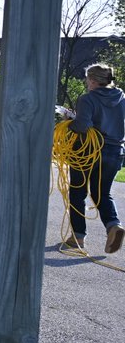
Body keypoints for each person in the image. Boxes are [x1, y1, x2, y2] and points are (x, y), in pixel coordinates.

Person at [64, 63, 125, 253]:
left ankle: (78, 238)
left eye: (86, 80)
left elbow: (82, 126)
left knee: (77, 192)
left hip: (88, 150)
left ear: (92, 80)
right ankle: (113, 225)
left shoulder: (87, 99)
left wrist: (69, 122)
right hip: (115, 151)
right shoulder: (122, 97)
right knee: (102, 193)